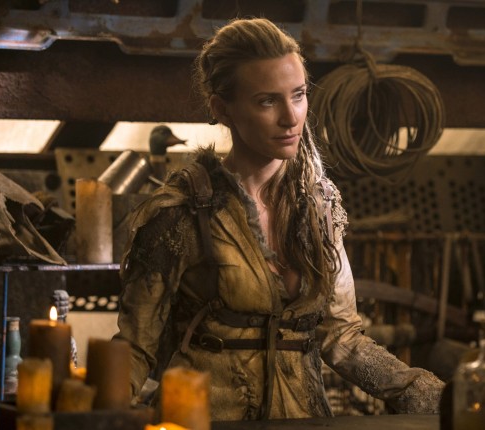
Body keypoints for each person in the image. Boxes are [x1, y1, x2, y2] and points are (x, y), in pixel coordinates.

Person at [113, 17, 444, 420]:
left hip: (303, 420)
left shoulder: (318, 207)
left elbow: (342, 338)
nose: (291, 117)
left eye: (299, 95)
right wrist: (96, 414)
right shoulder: (181, 211)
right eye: (267, 101)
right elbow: (136, 347)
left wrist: (432, 395)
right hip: (204, 420)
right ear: (222, 109)